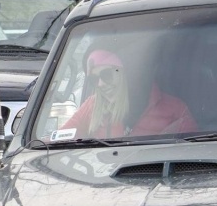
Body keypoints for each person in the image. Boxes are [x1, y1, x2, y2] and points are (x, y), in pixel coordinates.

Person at [65, 49, 196, 139]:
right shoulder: (93, 105)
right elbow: (59, 140)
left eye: (107, 75)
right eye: (94, 79)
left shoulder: (174, 108)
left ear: (124, 73)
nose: (100, 84)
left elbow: (193, 153)